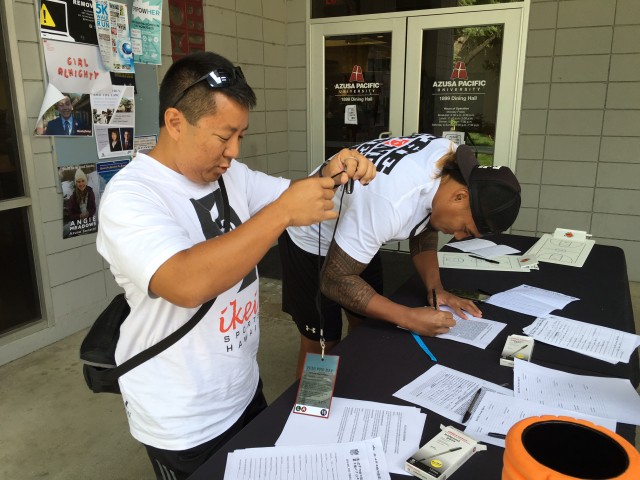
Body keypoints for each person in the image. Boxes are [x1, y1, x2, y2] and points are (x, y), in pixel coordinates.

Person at [95, 51, 375, 480]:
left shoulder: (231, 175)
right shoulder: (131, 195)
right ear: (175, 123)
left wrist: (332, 171)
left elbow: (296, 193)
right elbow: (184, 282)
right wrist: (281, 214)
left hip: (243, 390)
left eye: (242, 135)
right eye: (225, 136)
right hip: (183, 418)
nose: (235, 151)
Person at [280, 133, 521, 378]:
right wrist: (408, 317)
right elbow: (334, 280)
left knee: (366, 323)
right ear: (460, 197)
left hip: (361, 228)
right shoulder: (392, 203)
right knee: (322, 341)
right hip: (311, 236)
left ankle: (355, 380)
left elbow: (425, 222)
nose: (458, 237)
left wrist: (436, 287)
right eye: (464, 229)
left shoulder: (452, 166)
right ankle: (306, 411)